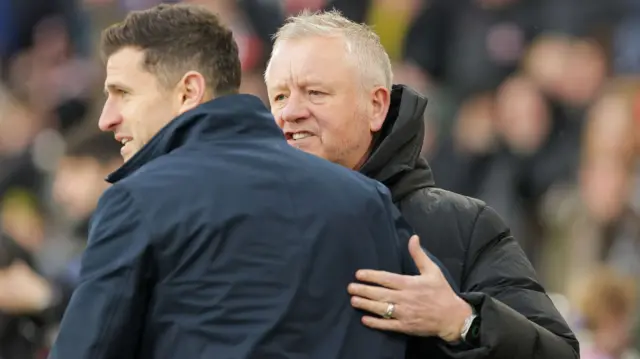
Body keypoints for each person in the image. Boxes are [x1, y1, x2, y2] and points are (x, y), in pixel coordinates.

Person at [48, 4, 433, 359]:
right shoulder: (366, 198)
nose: (106, 118)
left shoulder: (138, 200)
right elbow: (426, 336)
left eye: (123, 94)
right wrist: (468, 322)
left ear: (188, 91)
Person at [264, 10, 580, 358]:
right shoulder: (242, 225)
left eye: (314, 92)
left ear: (376, 106)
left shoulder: (462, 227)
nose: (289, 112)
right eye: (279, 96)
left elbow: (559, 353)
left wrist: (462, 321)